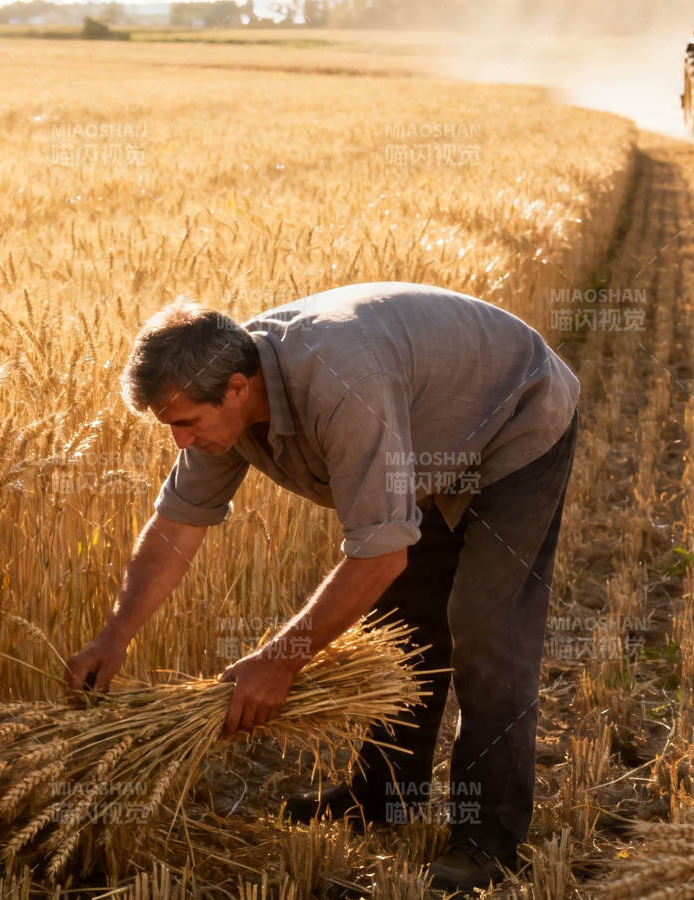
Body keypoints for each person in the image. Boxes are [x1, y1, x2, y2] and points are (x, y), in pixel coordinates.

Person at [64, 282, 579, 891]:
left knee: (485, 626)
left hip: (513, 416)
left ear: (236, 389)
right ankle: (383, 795)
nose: (179, 440)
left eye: (184, 423)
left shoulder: (340, 382)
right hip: (424, 437)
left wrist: (279, 661)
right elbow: (176, 528)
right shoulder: (217, 399)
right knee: (404, 625)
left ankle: (489, 836)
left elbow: (380, 554)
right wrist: (114, 635)